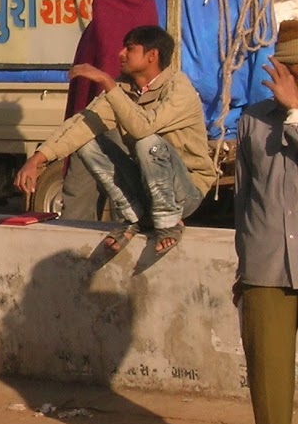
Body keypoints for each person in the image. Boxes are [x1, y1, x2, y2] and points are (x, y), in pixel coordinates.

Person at [14, 25, 213, 256]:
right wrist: (38, 159)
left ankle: (168, 222)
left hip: (186, 192)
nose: (121, 54)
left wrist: (105, 81)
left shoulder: (179, 89)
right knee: (86, 143)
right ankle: (134, 216)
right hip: (145, 188)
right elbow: (81, 125)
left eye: (130, 49)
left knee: (147, 143)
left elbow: (143, 128)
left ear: (152, 55)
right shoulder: (124, 88)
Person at [232, 19, 298, 424]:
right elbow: (243, 198)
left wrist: (295, 114)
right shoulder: (252, 120)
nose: (284, 77)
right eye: (284, 68)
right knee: (268, 368)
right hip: (265, 260)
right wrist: (243, 265)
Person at [59, 0, 161, 219]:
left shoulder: (144, 9)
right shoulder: (106, 4)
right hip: (93, 110)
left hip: (127, 112)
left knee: (125, 195)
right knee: (79, 190)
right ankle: (71, 243)